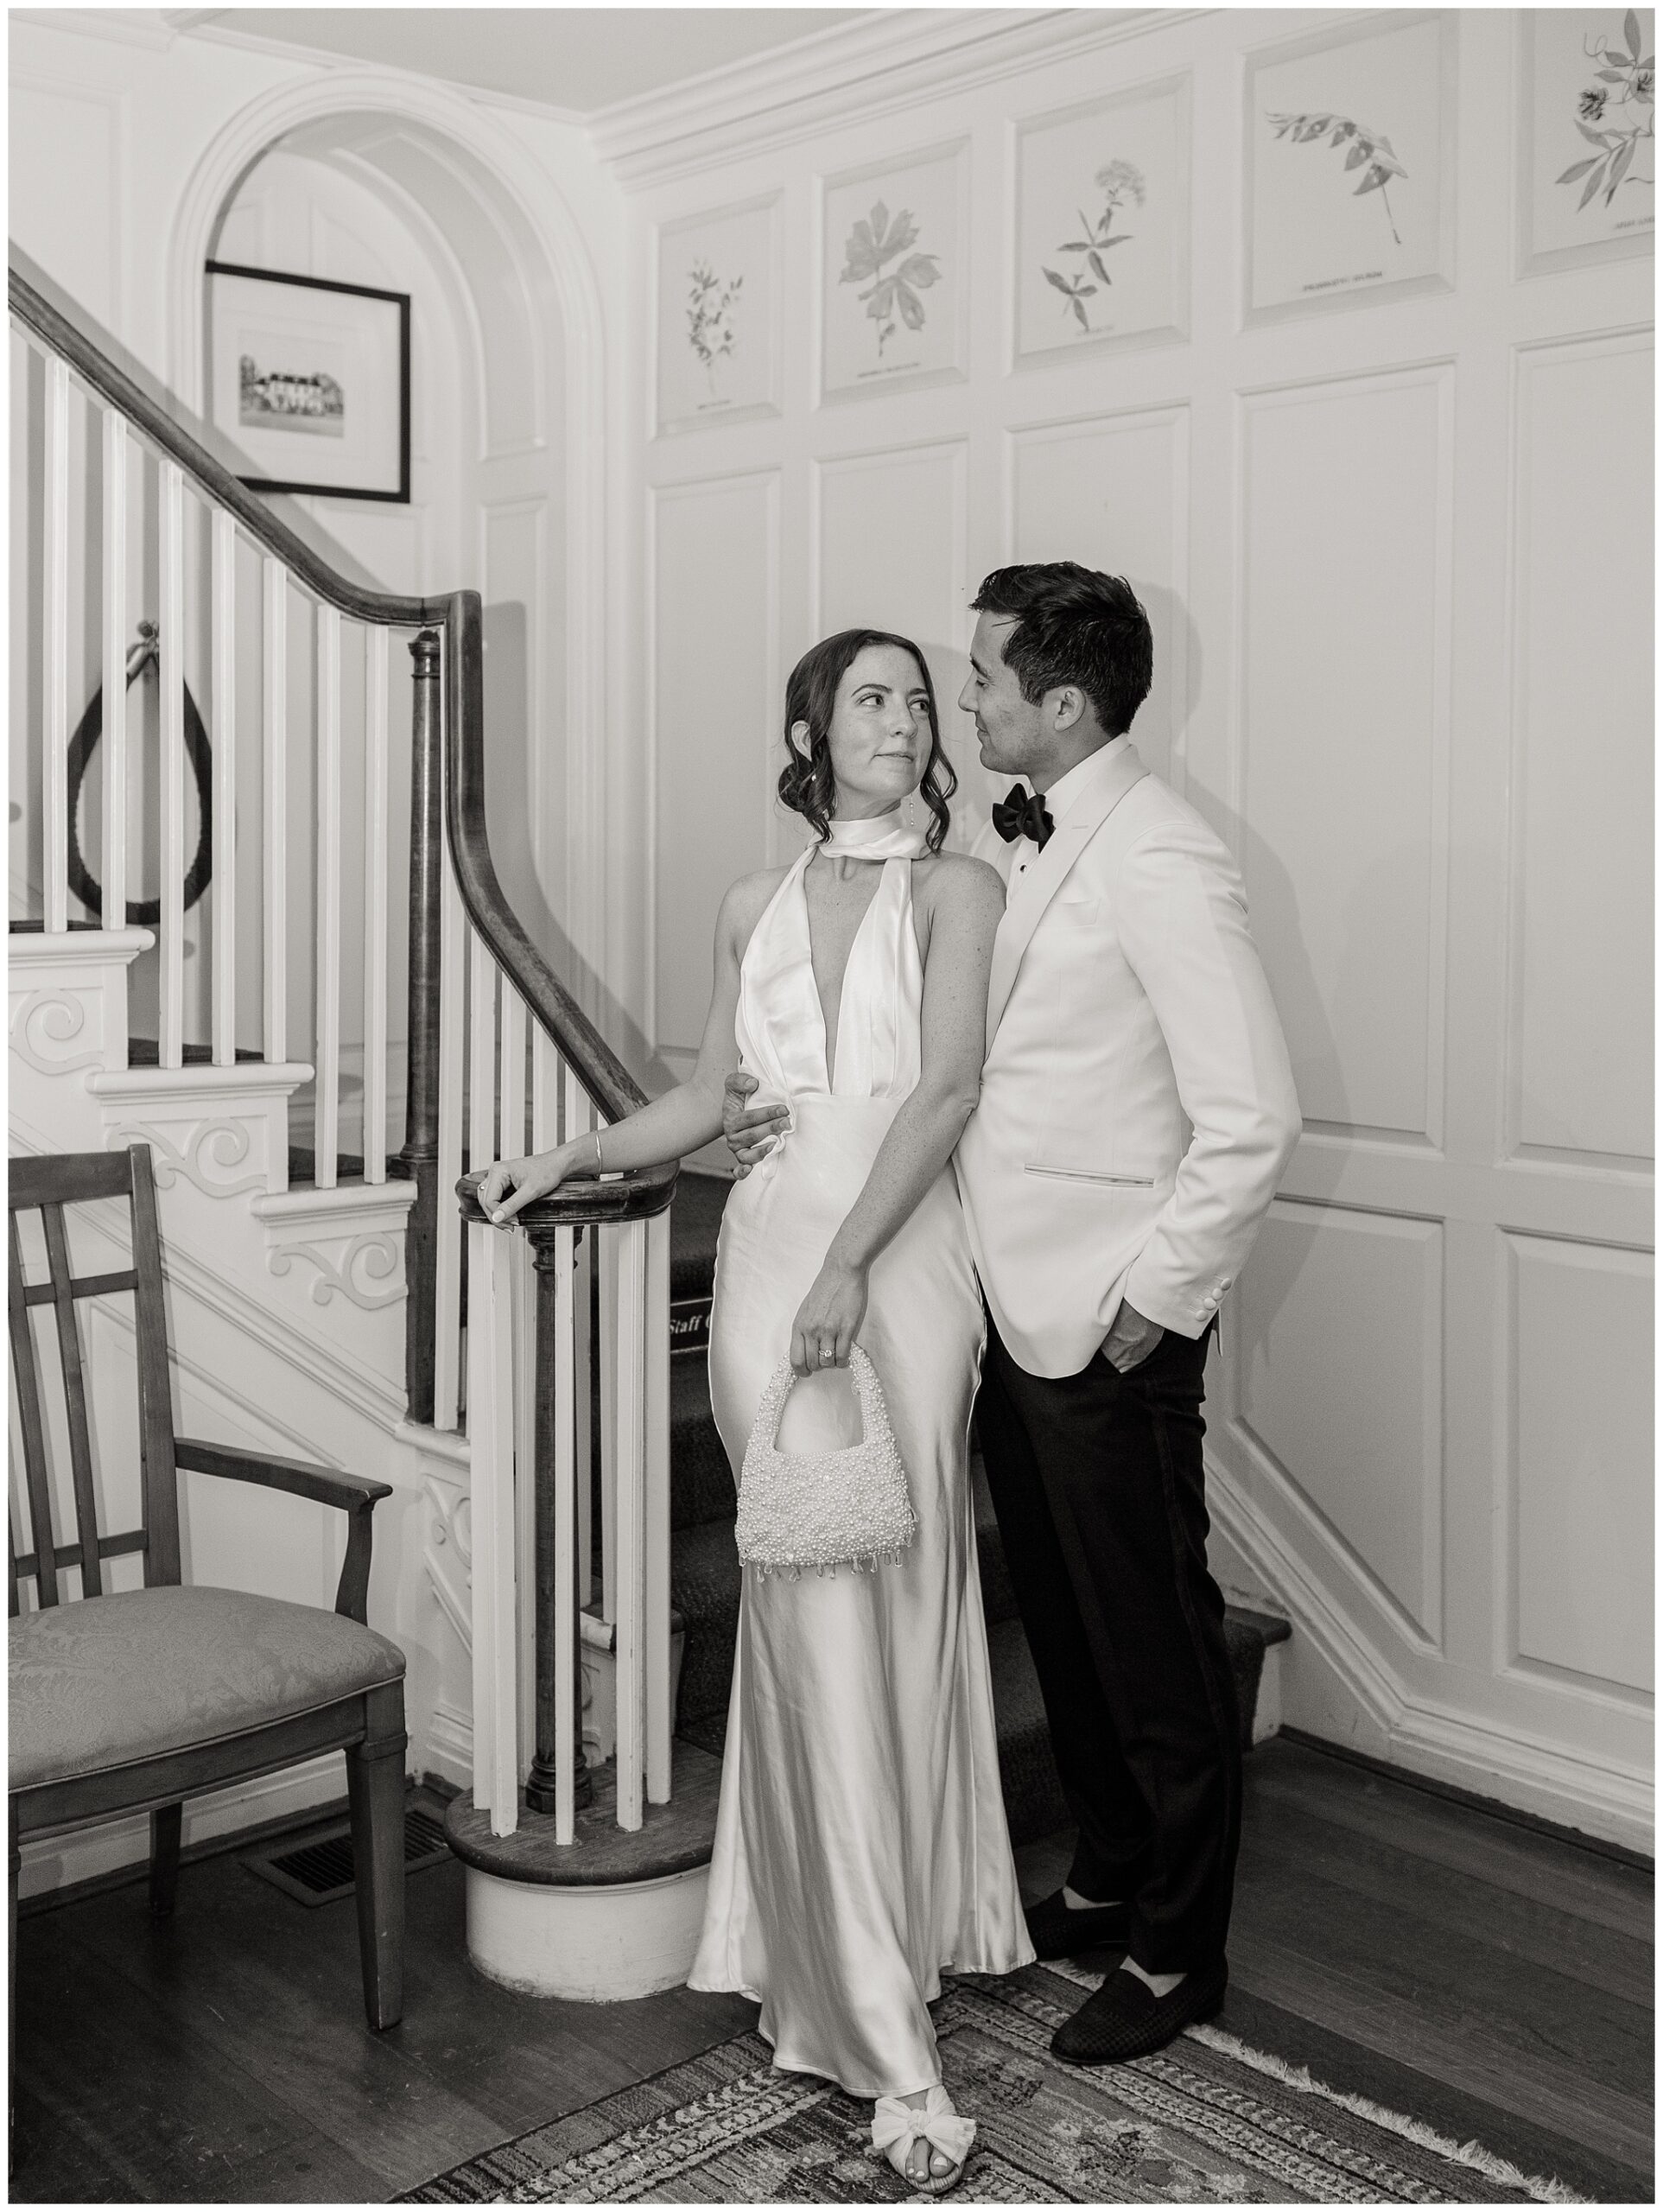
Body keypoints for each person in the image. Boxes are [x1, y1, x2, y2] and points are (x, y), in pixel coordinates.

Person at [479, 628, 1031, 2192]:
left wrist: (852, 1270)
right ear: (807, 726)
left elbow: (944, 1092)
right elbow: (707, 1101)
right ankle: (866, 2010)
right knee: (806, 1616)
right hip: (771, 1269)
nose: (906, 718)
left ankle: (899, 1938)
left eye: (921, 700)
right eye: (873, 695)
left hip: (898, 1272)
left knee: (899, 1598)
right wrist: (570, 1159)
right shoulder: (751, 903)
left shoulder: (959, 892)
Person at [729, 564, 1299, 2067]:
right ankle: (1105, 1880)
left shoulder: (1162, 852)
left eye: (977, 679)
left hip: (1106, 1320)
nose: (954, 700)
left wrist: (1152, 1304)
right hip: (986, 1305)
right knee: (1060, 1620)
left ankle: (1179, 1955)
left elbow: (1249, 1118)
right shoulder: (993, 836)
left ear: (1059, 702)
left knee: (1155, 1641)